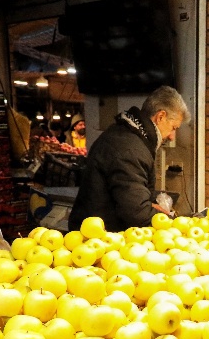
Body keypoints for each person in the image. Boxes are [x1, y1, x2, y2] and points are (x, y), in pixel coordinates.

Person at [67, 87, 188, 233]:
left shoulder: (125, 135)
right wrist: (174, 226)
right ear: (160, 116)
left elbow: (128, 194)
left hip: (99, 233)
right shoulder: (130, 150)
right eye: (173, 128)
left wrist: (149, 204)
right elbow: (137, 213)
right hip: (96, 240)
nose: (172, 136)